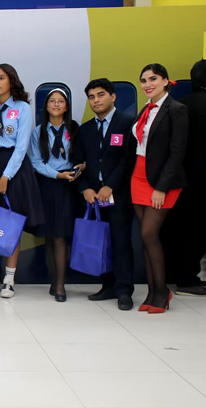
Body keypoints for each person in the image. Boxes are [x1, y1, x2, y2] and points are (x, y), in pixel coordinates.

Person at [127, 63, 188, 314]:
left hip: (161, 180)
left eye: (152, 79)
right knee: (145, 236)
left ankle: (162, 291)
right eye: (143, 80)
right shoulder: (147, 108)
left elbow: (177, 152)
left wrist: (162, 187)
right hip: (139, 176)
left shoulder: (177, 109)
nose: (147, 84)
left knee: (149, 234)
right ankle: (153, 291)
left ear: (165, 81)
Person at [0, 64, 44, 298]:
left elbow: (21, 146)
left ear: (11, 80)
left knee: (10, 225)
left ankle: (9, 279)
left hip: (14, 167)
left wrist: (6, 176)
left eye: (1, 78)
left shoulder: (22, 108)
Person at [73, 78, 136, 310]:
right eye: (91, 97)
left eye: (100, 95)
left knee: (121, 242)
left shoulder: (128, 123)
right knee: (102, 242)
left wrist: (111, 185)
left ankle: (124, 290)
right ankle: (107, 285)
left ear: (113, 96)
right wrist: (85, 188)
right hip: (94, 199)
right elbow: (79, 162)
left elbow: (128, 160)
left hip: (118, 195)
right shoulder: (86, 129)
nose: (96, 100)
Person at [28, 88, 81, 302]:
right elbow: (36, 162)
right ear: (46, 106)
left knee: (60, 236)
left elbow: (81, 156)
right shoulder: (38, 132)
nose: (56, 105)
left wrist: (74, 171)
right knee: (49, 235)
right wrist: (56, 174)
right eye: (52, 101)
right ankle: (53, 280)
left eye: (61, 101)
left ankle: (61, 285)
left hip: (68, 186)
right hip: (47, 184)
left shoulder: (74, 129)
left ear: (66, 106)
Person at [163, 60, 206, 296]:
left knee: (184, 231)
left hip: (180, 181)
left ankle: (183, 277)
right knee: (199, 232)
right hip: (202, 182)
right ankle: (189, 280)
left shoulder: (180, 105)